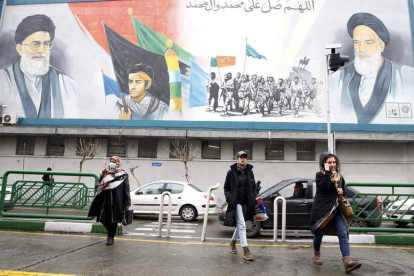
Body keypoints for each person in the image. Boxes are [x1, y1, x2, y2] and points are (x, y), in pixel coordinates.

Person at [330, 12, 414, 124]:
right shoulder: (337, 79)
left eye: (368, 43)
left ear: (381, 45)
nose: (361, 49)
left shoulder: (406, 76)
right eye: (357, 43)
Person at [0, 14, 82, 118]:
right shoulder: (2, 80)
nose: (41, 51)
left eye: (46, 44)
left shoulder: (69, 85)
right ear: (20, 49)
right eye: (35, 44)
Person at [310, 152, 361, 273]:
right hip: (323, 210)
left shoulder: (340, 177)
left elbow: (343, 193)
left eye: (334, 162)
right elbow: (324, 186)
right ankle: (316, 253)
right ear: (324, 163)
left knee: (343, 233)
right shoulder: (320, 175)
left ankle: (348, 262)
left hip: (337, 210)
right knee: (319, 233)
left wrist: (342, 191)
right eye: (329, 162)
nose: (332, 164)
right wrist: (327, 172)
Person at [88, 156, 131, 245]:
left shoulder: (123, 174)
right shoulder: (105, 172)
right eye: (111, 161)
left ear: (118, 163)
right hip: (104, 198)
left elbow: (126, 189)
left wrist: (127, 202)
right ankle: (111, 232)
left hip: (117, 199)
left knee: (113, 219)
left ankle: (110, 237)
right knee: (102, 218)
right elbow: (100, 185)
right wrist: (101, 175)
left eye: (114, 162)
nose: (112, 163)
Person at [223, 151, 257, 261]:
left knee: (241, 224)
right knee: (242, 224)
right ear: (237, 159)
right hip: (235, 202)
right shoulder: (231, 172)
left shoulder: (249, 171)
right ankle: (246, 250)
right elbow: (226, 188)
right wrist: (230, 197)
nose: (243, 159)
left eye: (244, 157)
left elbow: (253, 186)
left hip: (246, 202)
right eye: (241, 157)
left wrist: (254, 195)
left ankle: (232, 243)